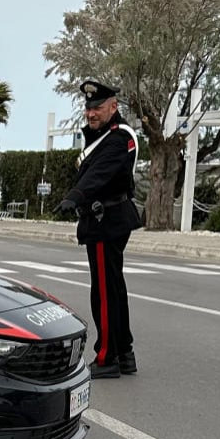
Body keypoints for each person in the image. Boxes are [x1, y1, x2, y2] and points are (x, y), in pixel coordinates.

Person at [56, 81, 142, 379]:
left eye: (98, 108)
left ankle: (107, 358)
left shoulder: (118, 139)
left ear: (114, 107)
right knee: (115, 288)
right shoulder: (103, 135)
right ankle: (125, 352)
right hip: (107, 218)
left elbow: (99, 173)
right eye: (89, 108)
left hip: (107, 219)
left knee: (104, 293)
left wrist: (75, 196)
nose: (91, 113)